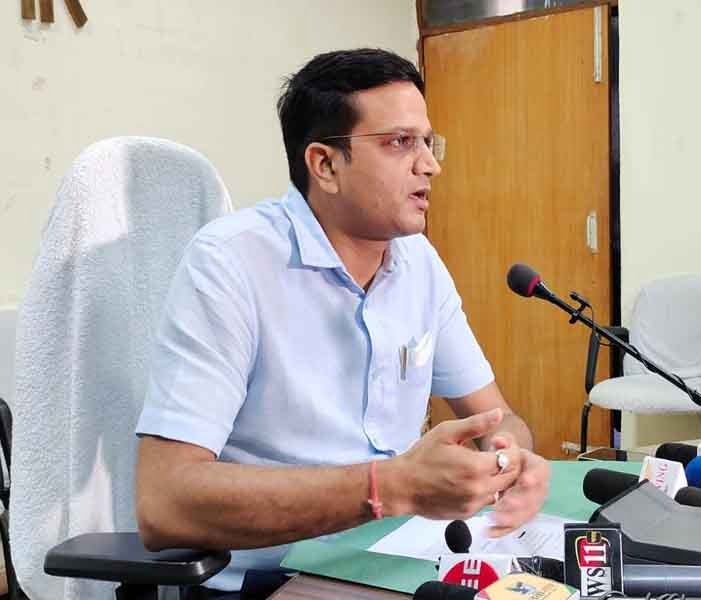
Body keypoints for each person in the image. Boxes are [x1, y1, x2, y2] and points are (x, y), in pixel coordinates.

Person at [134, 48, 550, 596]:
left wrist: (508, 458)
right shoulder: (231, 263)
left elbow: (496, 417)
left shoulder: (419, 261)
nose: (430, 165)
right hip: (272, 580)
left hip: (395, 560)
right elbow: (164, 502)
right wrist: (388, 487)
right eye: (400, 142)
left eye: (429, 142)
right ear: (325, 165)